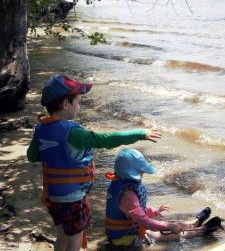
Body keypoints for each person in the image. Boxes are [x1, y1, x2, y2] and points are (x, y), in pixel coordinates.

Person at [26, 74, 161, 251]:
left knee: (61, 238)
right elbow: (105, 139)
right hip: (73, 201)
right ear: (66, 104)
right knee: (74, 244)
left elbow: (32, 156)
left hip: (53, 199)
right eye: (78, 102)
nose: (79, 107)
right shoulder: (74, 133)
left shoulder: (41, 128)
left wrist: (55, 152)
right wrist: (140, 133)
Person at [105, 148, 222, 247]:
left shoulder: (119, 185)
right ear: (132, 173)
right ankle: (201, 231)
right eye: (141, 171)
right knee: (171, 233)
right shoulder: (128, 195)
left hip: (124, 234)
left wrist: (155, 211)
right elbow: (145, 222)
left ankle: (193, 222)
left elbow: (134, 211)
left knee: (171, 226)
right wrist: (170, 226)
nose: (143, 173)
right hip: (125, 240)